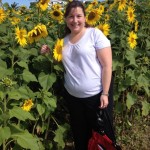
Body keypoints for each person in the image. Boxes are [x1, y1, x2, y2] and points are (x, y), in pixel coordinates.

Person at [41, 1, 113, 150]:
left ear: (85, 18)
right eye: (71, 17)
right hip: (73, 98)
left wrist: (105, 93)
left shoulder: (94, 34)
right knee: (80, 134)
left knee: (101, 135)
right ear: (66, 19)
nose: (75, 20)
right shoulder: (63, 41)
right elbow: (58, 61)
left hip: (96, 97)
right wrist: (48, 53)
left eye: (78, 16)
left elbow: (107, 66)